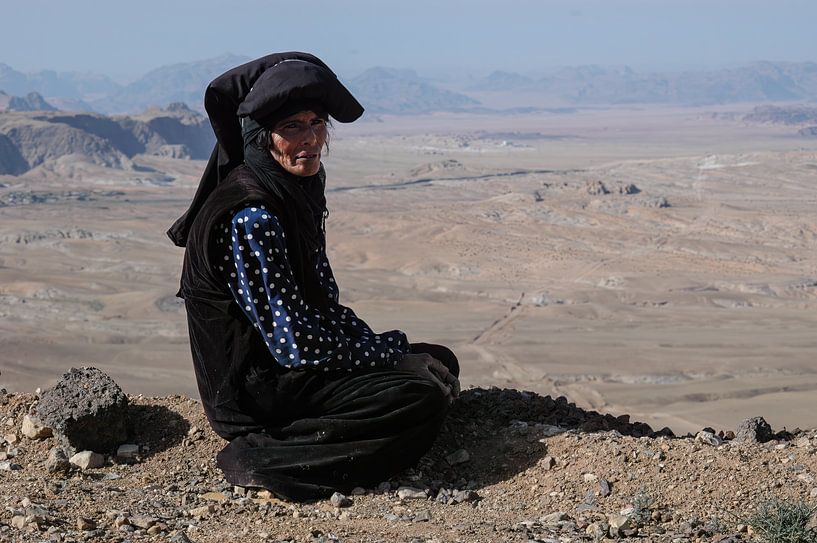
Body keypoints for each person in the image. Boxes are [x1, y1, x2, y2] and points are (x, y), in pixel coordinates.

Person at [167, 52, 460, 501]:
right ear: (262, 138)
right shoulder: (252, 214)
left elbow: (321, 307)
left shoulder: (291, 192)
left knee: (438, 360)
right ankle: (266, 458)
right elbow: (296, 346)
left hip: (291, 375)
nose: (311, 140)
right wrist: (391, 358)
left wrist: (394, 350)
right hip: (256, 392)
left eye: (317, 123)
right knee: (419, 396)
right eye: (293, 128)